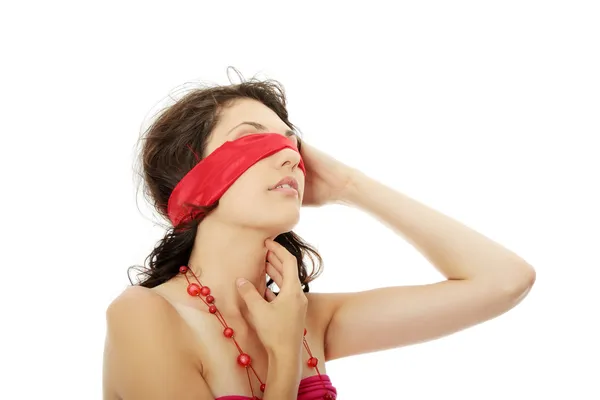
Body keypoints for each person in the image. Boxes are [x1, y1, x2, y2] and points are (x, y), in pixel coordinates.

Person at [102, 72, 536, 400]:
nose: (289, 158)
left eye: (293, 147)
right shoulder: (144, 315)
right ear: (190, 181)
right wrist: (286, 353)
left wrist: (349, 186)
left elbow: (504, 280)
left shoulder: (308, 317)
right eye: (254, 141)